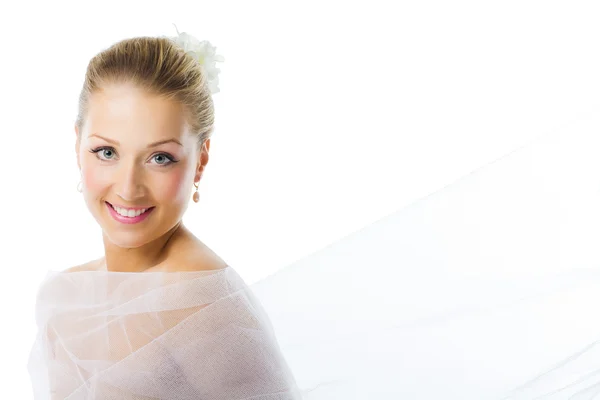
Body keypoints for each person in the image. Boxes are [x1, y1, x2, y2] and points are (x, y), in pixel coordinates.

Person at [27, 29, 304, 399]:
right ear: (78, 145)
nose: (128, 188)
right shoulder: (65, 295)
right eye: (107, 152)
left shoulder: (204, 308)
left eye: (160, 158)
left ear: (200, 161)